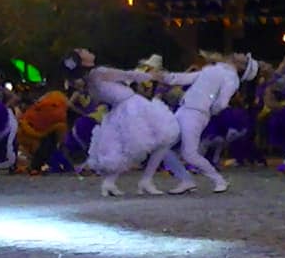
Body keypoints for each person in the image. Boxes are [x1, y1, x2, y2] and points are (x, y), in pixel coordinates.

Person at [62, 48, 180, 197]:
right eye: (82, 51)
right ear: (83, 61)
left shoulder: (88, 81)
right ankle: (145, 180)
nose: (87, 50)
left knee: (125, 149)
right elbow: (128, 75)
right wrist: (151, 76)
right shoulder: (98, 73)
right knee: (165, 135)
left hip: (119, 111)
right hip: (131, 106)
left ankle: (110, 183)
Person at [153, 51, 259, 194]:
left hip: (196, 113)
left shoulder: (231, 77)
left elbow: (222, 103)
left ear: (243, 66)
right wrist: (166, 77)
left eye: (243, 57)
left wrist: (205, 110)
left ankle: (218, 180)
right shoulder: (214, 69)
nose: (238, 54)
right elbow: (186, 78)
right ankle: (187, 181)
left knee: (189, 153)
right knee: (163, 147)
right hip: (185, 109)